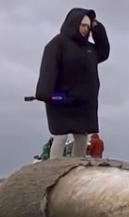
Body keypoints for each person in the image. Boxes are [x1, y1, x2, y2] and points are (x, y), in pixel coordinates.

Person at [35, 8, 110, 159]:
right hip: (61, 101)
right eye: (83, 25)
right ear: (73, 23)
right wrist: (49, 95)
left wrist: (97, 27)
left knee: (82, 137)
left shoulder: (89, 49)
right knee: (60, 136)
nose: (85, 29)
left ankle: (76, 168)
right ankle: (53, 169)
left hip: (83, 102)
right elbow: (48, 71)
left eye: (88, 27)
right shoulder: (57, 44)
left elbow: (104, 52)